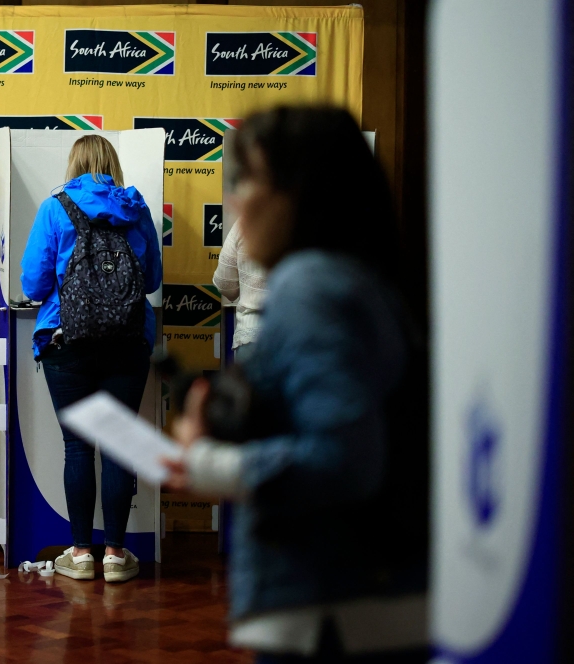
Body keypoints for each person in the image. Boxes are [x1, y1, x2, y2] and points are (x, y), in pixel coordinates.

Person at [164, 107, 428, 662]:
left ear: (300, 193)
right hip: (362, 599)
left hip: (328, 606)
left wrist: (206, 461)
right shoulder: (360, 280)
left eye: (250, 180)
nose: (235, 201)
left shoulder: (312, 287)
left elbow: (343, 457)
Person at [20, 135, 162, 583]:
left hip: (67, 343)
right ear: (111, 164)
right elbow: (153, 279)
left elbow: (33, 283)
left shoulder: (55, 208)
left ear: (74, 164)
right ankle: (117, 556)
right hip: (128, 342)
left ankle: (81, 555)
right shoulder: (135, 208)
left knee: (78, 447)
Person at [213, 219, 268, 362]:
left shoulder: (246, 222)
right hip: (302, 340)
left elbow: (224, 284)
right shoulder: (318, 221)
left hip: (252, 335)